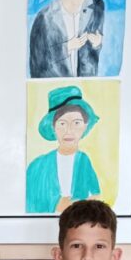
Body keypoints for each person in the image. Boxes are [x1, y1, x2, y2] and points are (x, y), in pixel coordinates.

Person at [29, 0, 104, 79]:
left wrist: (97, 42)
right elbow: (38, 63)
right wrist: (67, 47)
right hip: (55, 86)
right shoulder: (44, 18)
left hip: (86, 86)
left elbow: (92, 54)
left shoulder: (96, 6)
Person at [25, 85, 101, 213]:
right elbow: (31, 202)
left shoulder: (84, 161)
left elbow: (95, 196)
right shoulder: (37, 166)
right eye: (62, 123)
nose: (69, 131)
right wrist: (57, 203)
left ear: (84, 126)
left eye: (76, 123)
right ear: (53, 127)